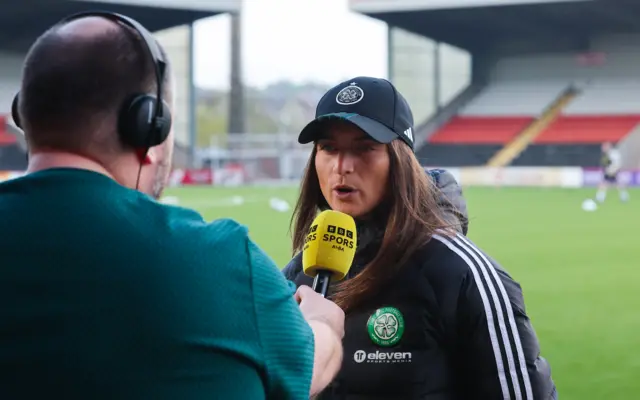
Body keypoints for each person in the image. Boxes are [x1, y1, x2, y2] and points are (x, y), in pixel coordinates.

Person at [0, 12, 344, 399]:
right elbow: (308, 367)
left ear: (24, 114)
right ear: (149, 124)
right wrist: (324, 324)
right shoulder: (220, 262)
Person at [283, 77, 557, 399]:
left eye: (365, 148)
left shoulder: (463, 275)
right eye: (328, 148)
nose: (341, 166)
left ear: (400, 161)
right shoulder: (298, 275)